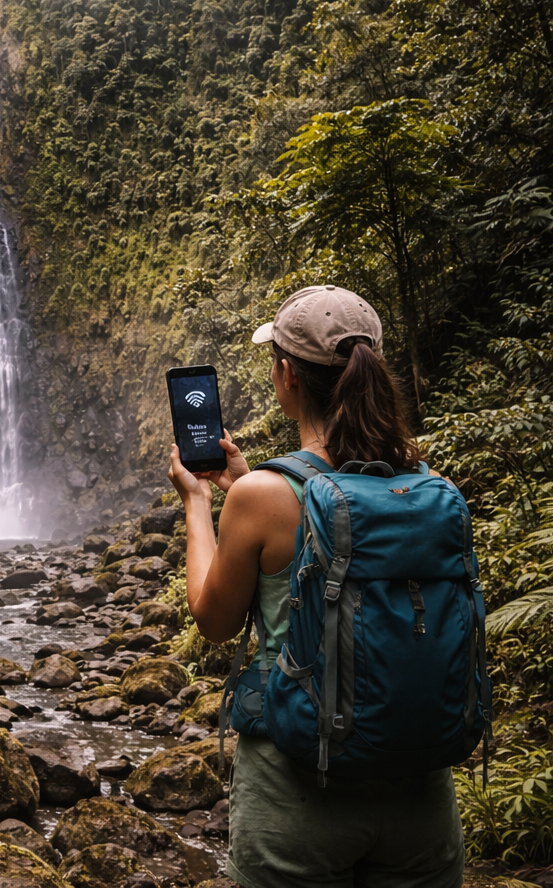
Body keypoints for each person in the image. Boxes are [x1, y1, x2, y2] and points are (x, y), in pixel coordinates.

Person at [167, 285, 463, 888]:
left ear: (286, 377)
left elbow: (215, 621)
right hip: (419, 794)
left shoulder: (265, 498)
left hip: (297, 791)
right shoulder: (428, 487)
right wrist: (246, 488)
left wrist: (200, 504)